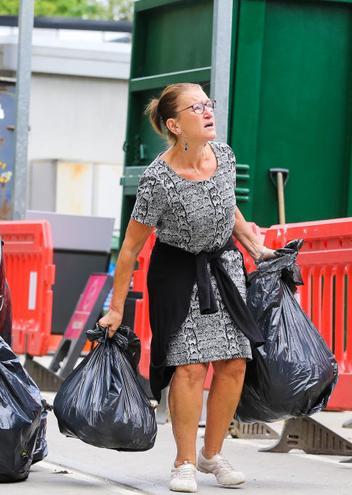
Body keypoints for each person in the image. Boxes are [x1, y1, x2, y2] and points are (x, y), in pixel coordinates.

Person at [98, 83, 275, 493]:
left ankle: (213, 454)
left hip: (224, 267)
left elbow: (226, 206)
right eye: (198, 107)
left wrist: (255, 246)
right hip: (178, 274)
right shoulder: (157, 179)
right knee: (190, 365)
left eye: (208, 103)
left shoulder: (225, 157)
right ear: (176, 125)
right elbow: (129, 249)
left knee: (234, 362)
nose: (208, 111)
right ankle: (184, 461)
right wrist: (117, 309)